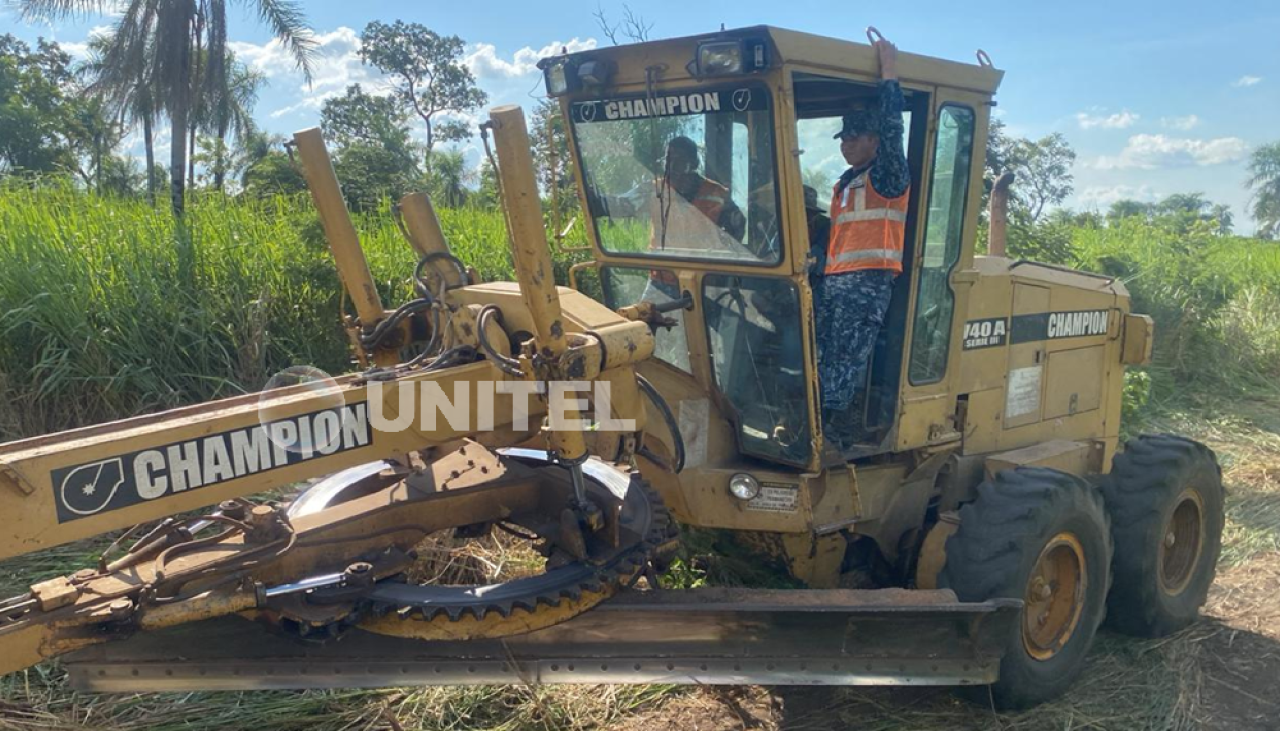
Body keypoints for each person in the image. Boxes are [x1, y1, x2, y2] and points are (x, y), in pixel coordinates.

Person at [817, 37, 910, 444]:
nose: (845, 144)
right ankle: (815, 418)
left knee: (844, 358)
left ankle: (832, 428)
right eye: (842, 138)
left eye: (854, 138)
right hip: (836, 281)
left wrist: (889, 77)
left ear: (873, 140)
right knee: (820, 353)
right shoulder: (845, 183)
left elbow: (893, 132)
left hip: (868, 283)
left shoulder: (886, 176)